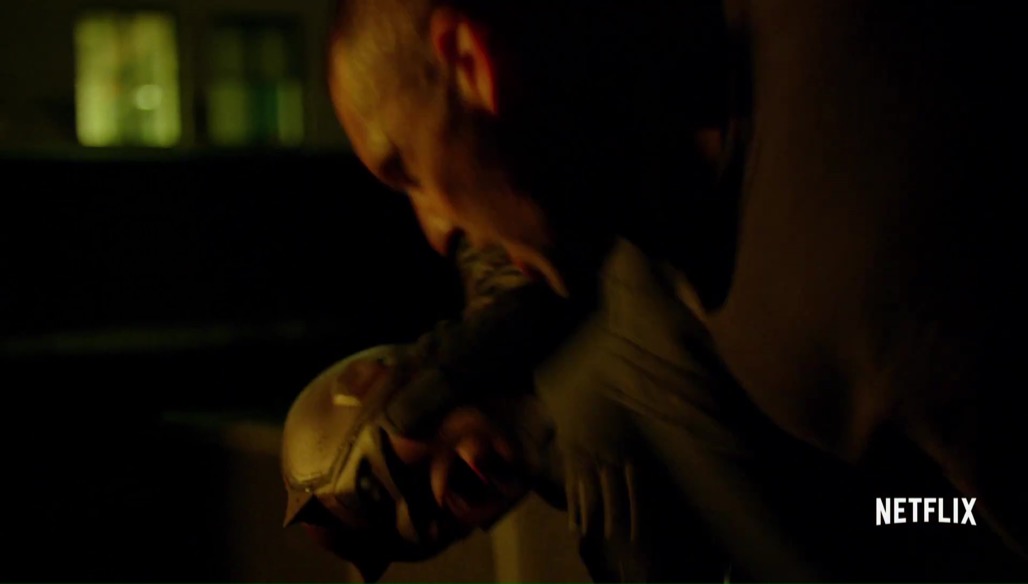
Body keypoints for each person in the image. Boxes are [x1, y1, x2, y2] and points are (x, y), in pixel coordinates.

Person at [324, 0, 1028, 559]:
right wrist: (890, 512)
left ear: (470, 62)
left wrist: (896, 517)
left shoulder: (847, 283)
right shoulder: (712, 250)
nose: (434, 228)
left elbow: (952, 507)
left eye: (406, 171)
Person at [283, 237, 1027, 582]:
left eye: (399, 484)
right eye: (431, 533)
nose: (441, 513)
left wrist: (441, 376)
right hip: (916, 482)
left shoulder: (526, 274)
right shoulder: (598, 497)